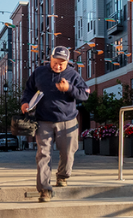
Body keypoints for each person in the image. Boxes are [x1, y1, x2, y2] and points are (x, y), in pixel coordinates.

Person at [21, 46, 89, 201]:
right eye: (55, 62)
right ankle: (44, 190)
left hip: (67, 120)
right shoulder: (39, 73)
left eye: (62, 63)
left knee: (68, 153)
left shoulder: (73, 74)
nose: (58, 66)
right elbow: (28, 90)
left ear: (67, 63)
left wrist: (69, 88)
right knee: (43, 154)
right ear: (50, 59)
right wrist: (25, 102)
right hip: (43, 120)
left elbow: (85, 94)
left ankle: (62, 175)